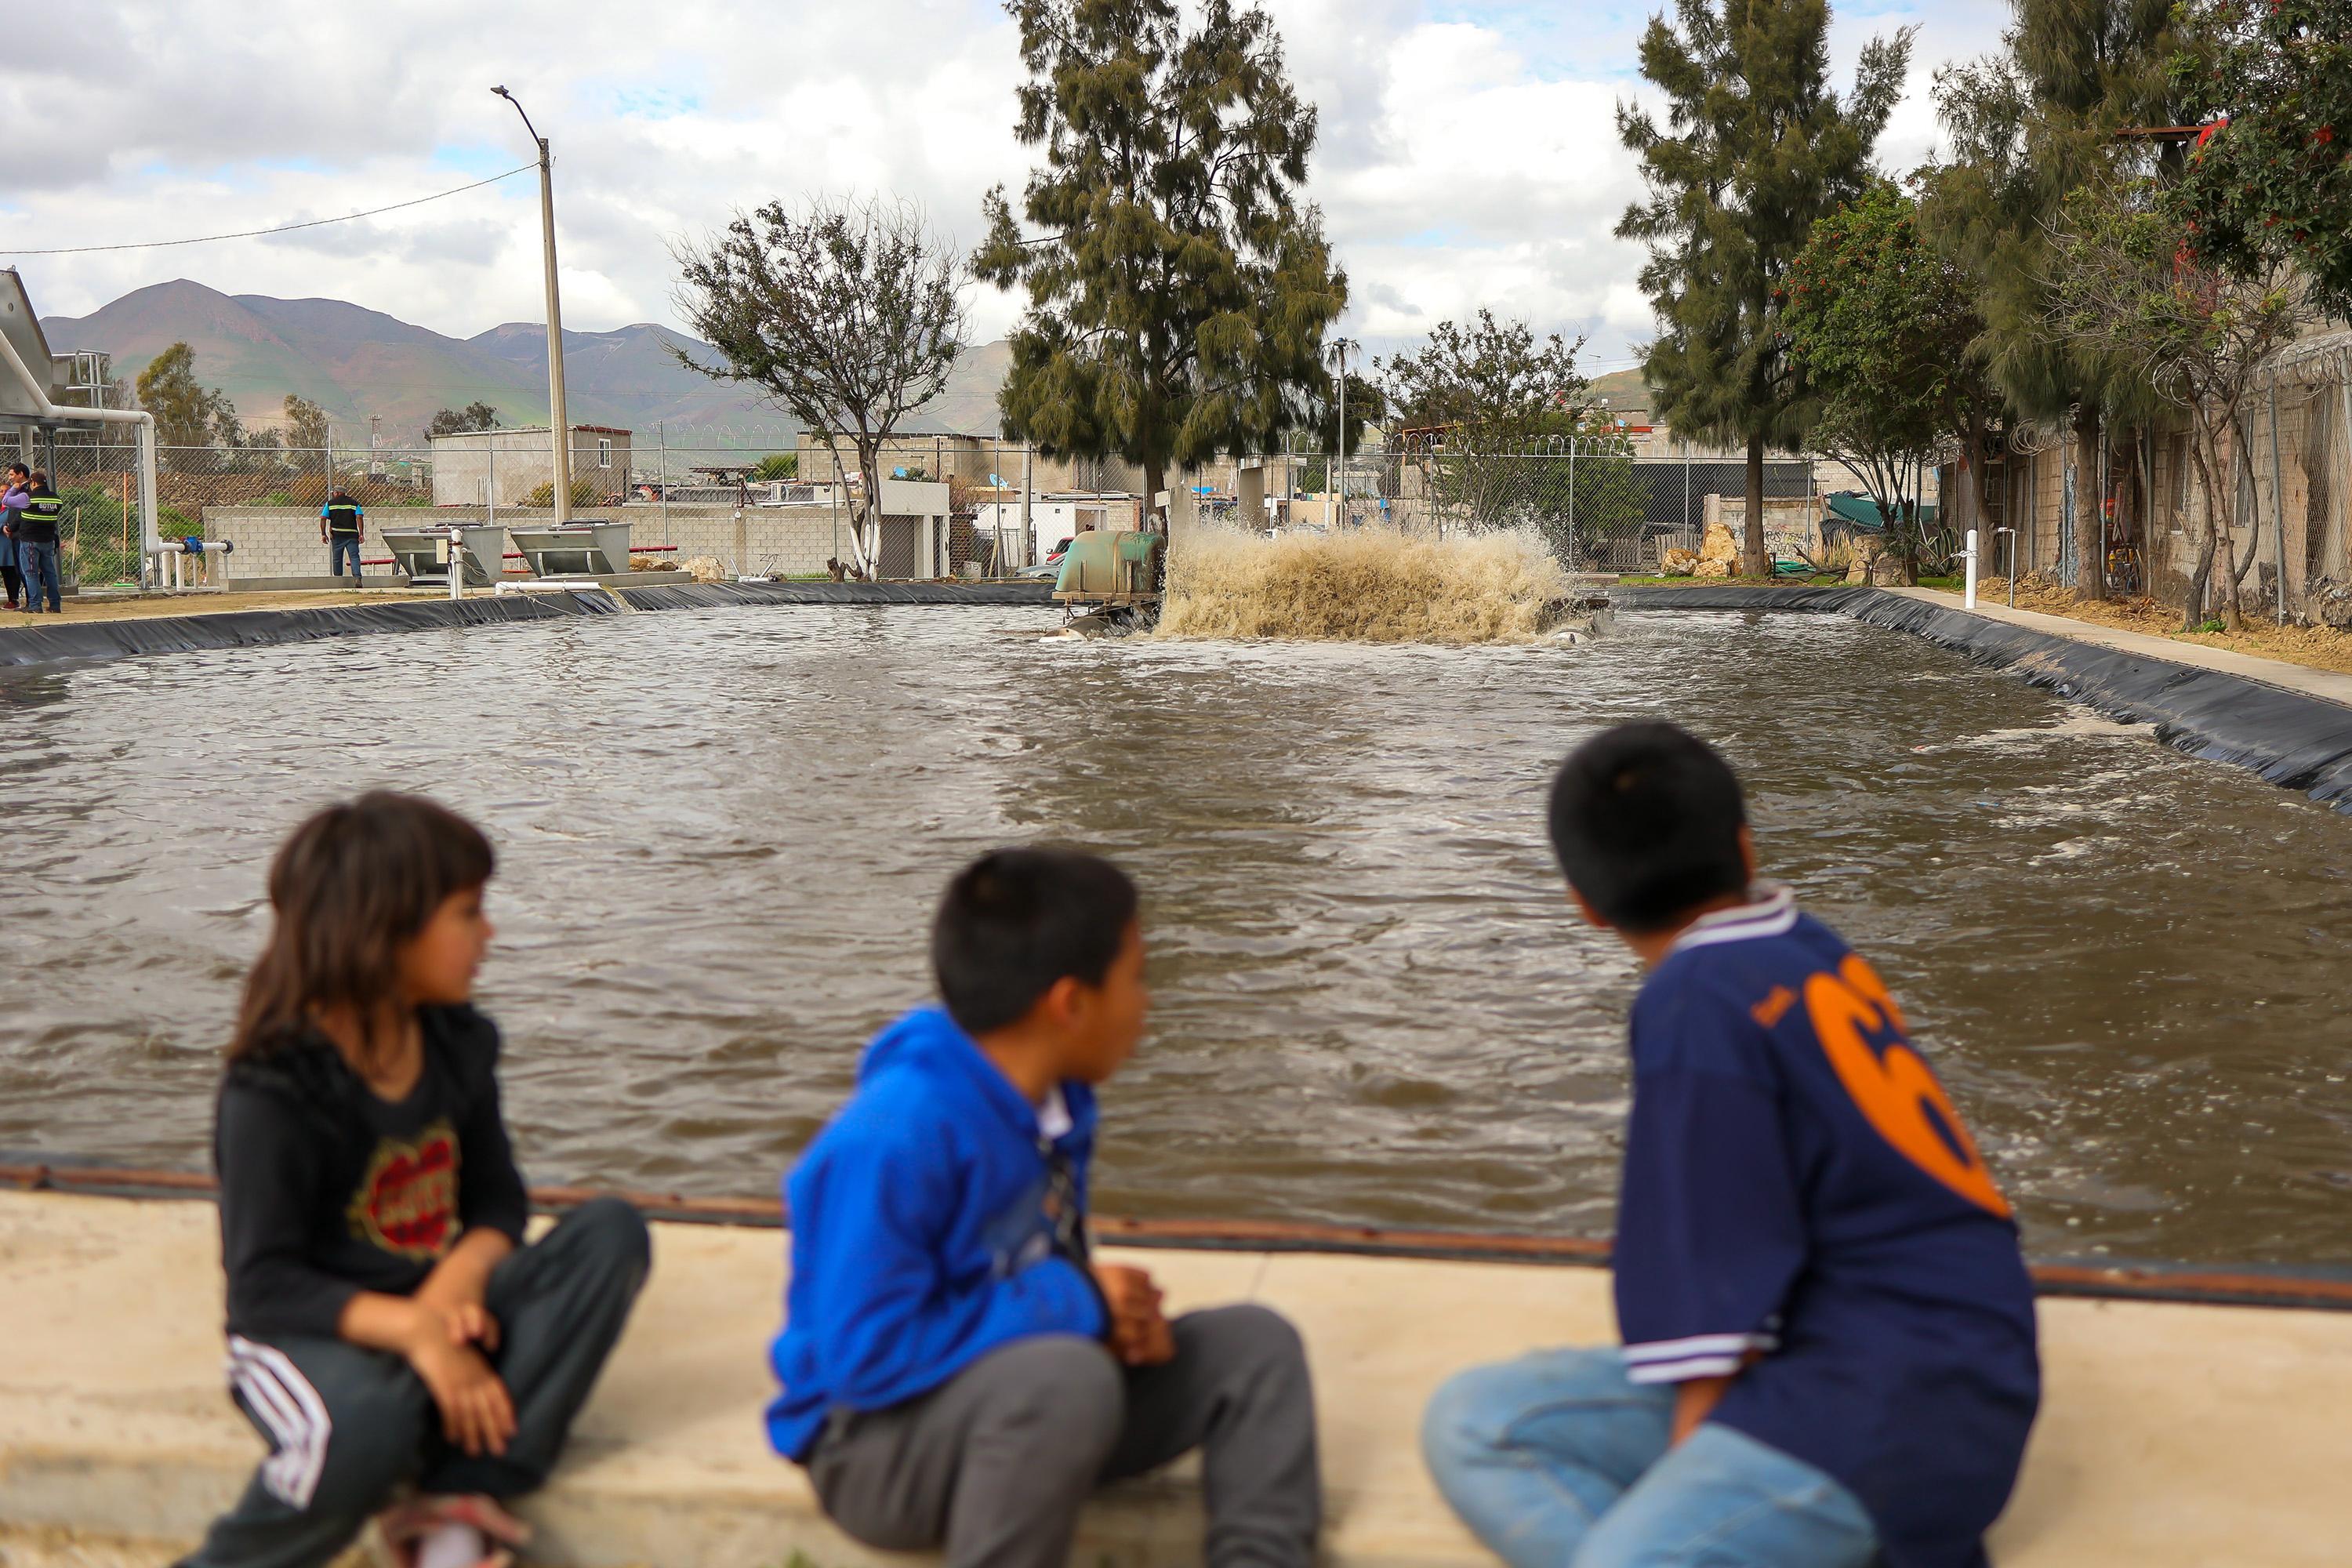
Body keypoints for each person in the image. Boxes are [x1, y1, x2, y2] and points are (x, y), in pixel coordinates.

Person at [1421, 722, 2039, 1568]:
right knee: (1473, 1418)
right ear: (1745, 851)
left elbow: (1712, 1287)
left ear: (1584, 903)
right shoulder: (1803, 943)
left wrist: (1687, 1496)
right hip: (1936, 1363)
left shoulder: (1693, 1002)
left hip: (1887, 1405)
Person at [769, 848, 1321, 1568]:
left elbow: (1033, 1267)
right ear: (1070, 1005)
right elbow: (864, 1359)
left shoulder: (1059, 1102)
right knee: (1067, 1380)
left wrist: (1111, 1323)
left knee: (1255, 1348)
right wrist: (1076, 1302)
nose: (1147, 1005)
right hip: (874, 1444)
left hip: (1021, 1396)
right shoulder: (895, 1139)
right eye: (1136, 979)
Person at [179, 793, 652, 1568]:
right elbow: (264, 1285)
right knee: (365, 1418)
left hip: (437, 1308)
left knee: (609, 1234)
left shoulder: (458, 1043)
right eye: (468, 912)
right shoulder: (275, 1084)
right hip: (316, 1335)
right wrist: (418, 1334)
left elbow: (498, 1199)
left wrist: (457, 1285)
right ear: (387, 932)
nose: (488, 934)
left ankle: (458, 1503)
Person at [15, 471, 64, 613]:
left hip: (30, 540)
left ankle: (36, 605)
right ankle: (55, 605)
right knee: (50, 572)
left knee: (31, 573)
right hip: (48, 539)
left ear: (33, 483)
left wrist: (17, 488)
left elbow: (9, 503)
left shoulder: (28, 498)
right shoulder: (56, 499)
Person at [321, 488, 365, 582]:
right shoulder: (353, 503)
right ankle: (357, 578)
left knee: (337, 559)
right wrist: (361, 534)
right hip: (352, 534)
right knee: (354, 557)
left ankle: (338, 580)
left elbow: (323, 518)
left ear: (337, 493)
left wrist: (323, 534)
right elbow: (359, 517)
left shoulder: (330, 503)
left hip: (337, 535)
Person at [0, 461, 27, 609]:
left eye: (6, 491)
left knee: (12, 573)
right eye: (1, 491)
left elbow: (12, 521)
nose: (3, 493)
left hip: (9, 545)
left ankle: (14, 599)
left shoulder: (15, 504)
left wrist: (6, 527)